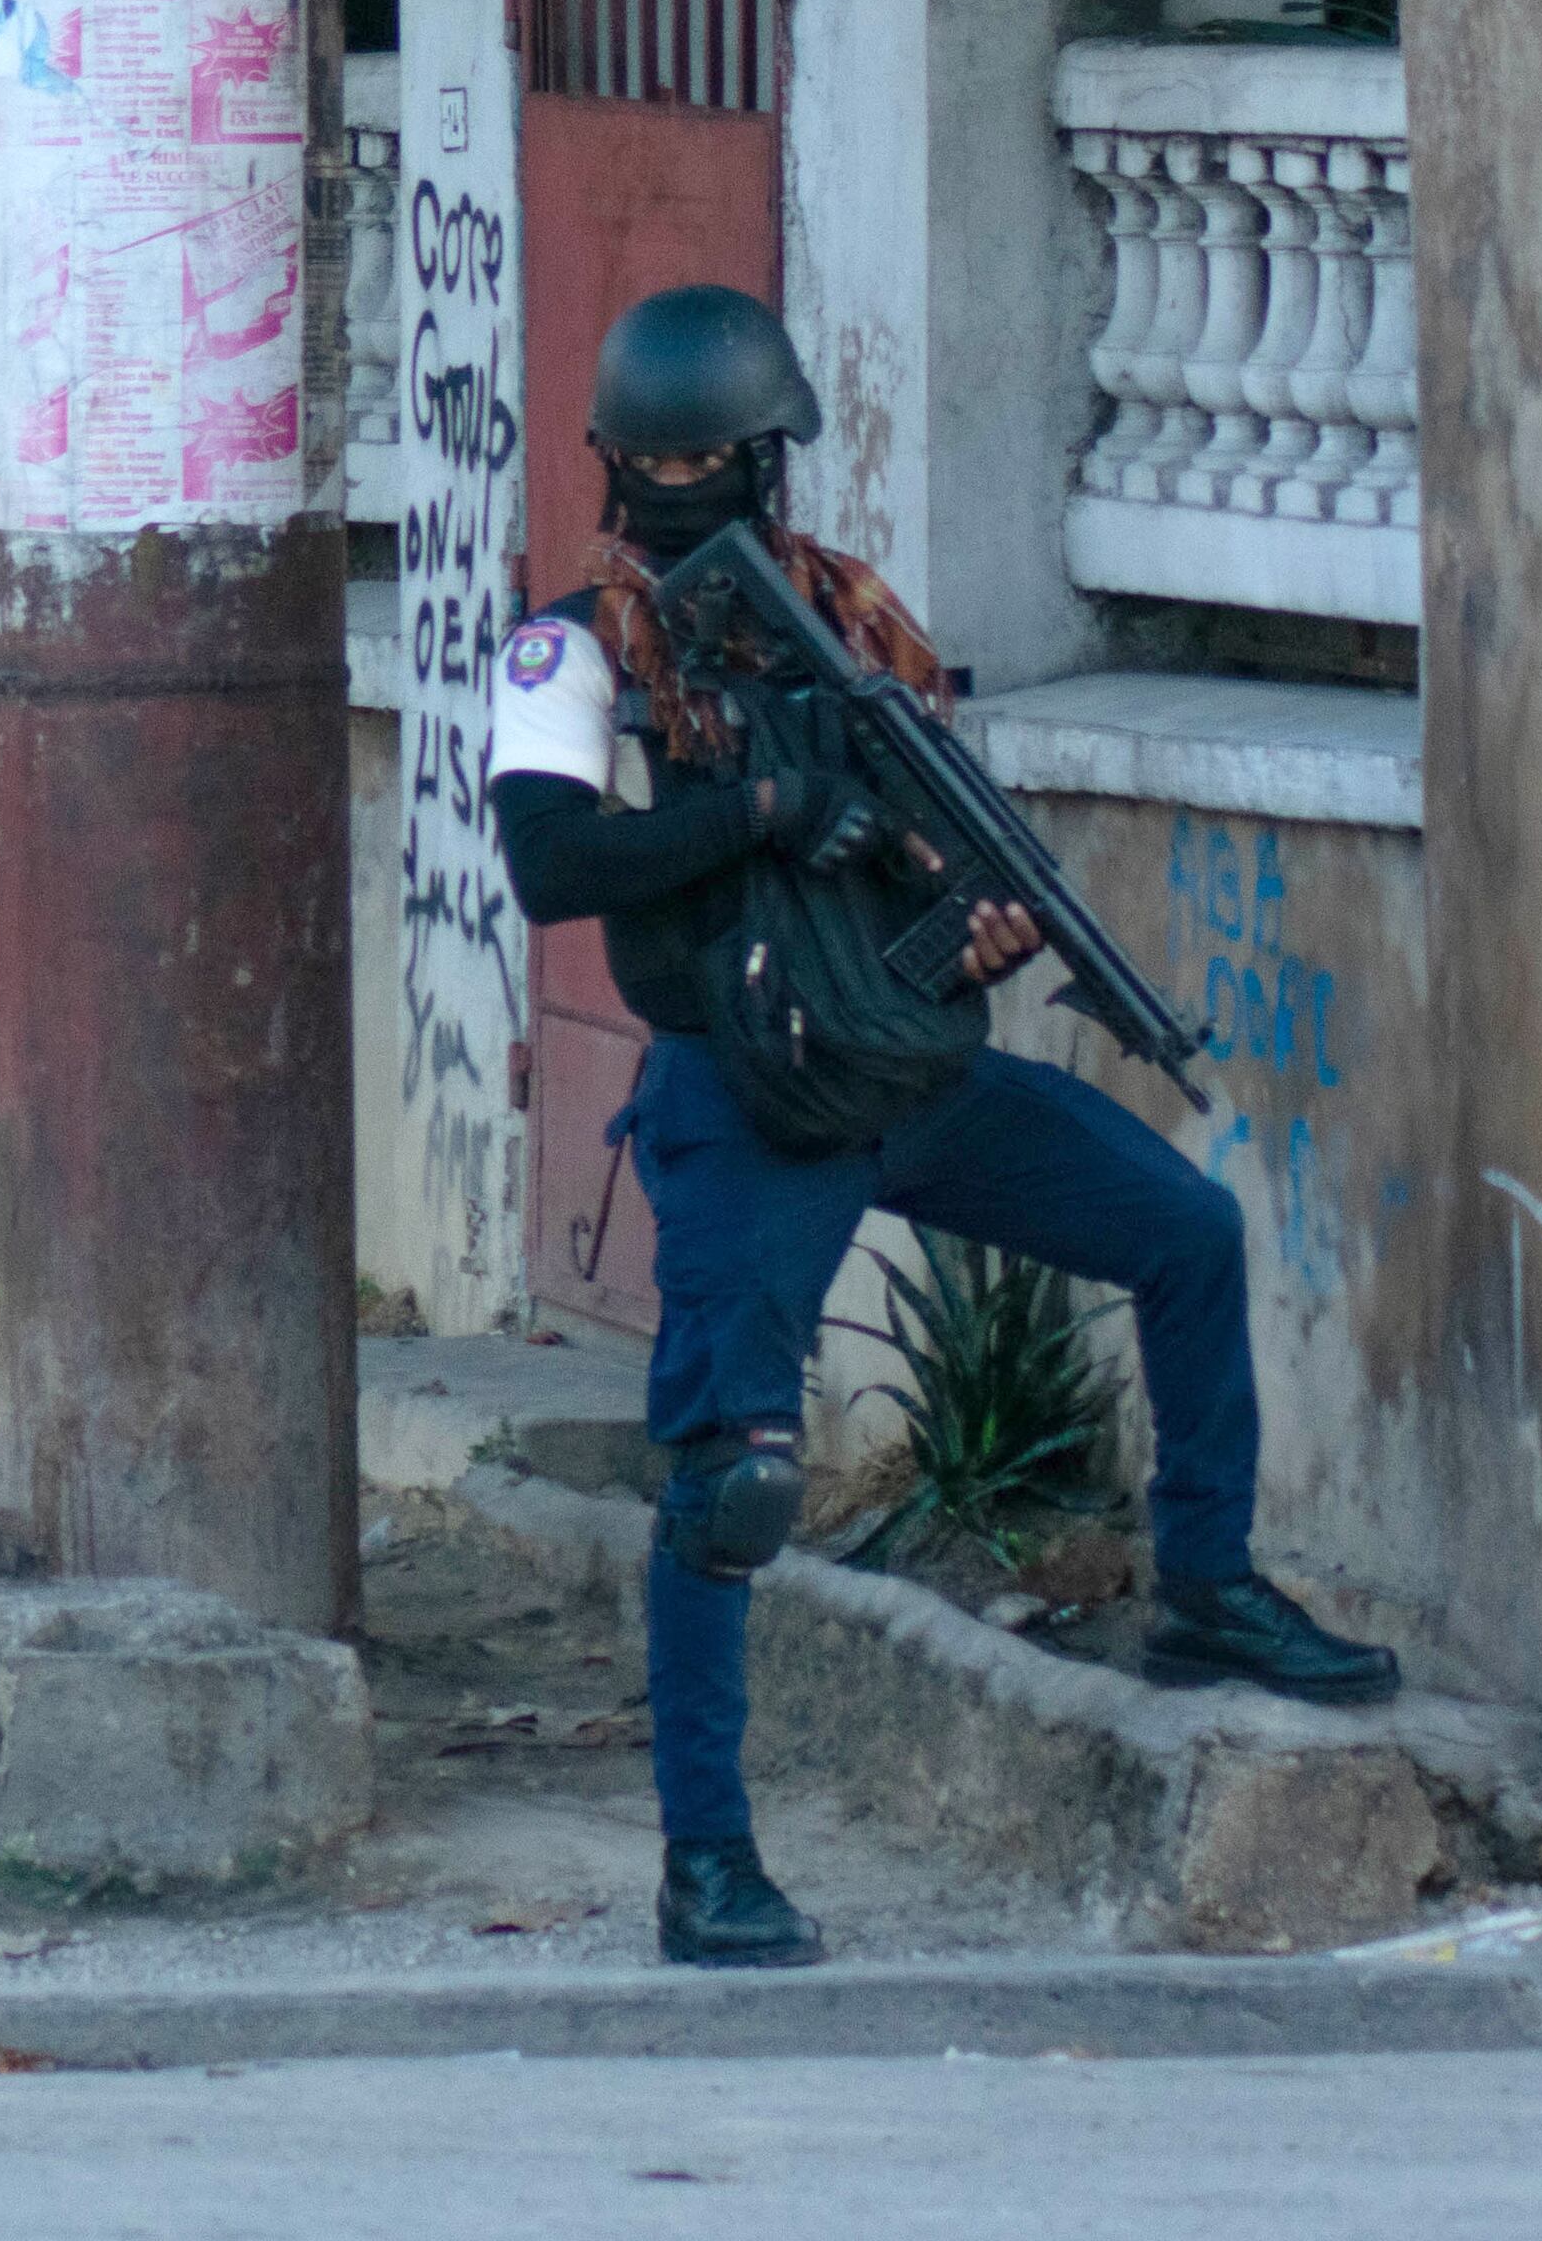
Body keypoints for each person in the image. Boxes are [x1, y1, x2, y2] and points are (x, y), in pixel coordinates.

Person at [490, 286, 1396, 1972]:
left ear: (770, 463)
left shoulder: (856, 631)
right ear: (618, 468)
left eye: (715, 457)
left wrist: (977, 922)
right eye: (658, 460)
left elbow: (947, 862)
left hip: (911, 1074)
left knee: (1188, 1234)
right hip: (744, 1101)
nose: (685, 484)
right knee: (731, 1482)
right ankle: (707, 1864)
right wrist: (761, 805)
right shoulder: (576, 648)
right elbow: (552, 866)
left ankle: (1204, 1588)